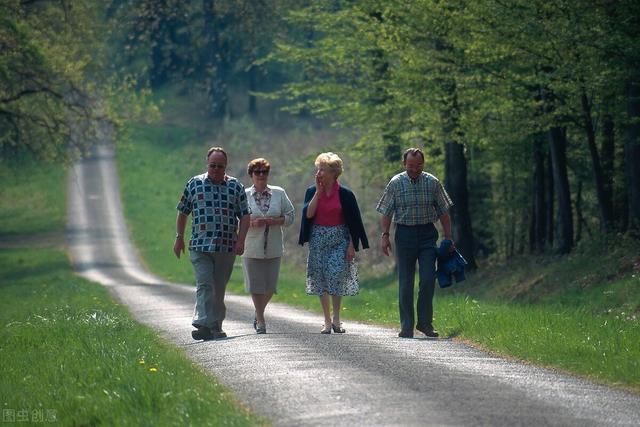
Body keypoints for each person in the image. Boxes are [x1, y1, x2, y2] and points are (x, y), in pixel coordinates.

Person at [173, 146, 250, 341]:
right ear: (207, 164)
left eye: (220, 166)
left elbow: (245, 216)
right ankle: (203, 323)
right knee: (205, 284)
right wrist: (179, 237)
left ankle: (215, 325)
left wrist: (241, 240)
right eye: (213, 165)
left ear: (226, 166)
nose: (216, 169)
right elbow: (183, 211)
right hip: (200, 245)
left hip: (225, 247)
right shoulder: (194, 184)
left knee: (218, 287)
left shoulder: (235, 187)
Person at [376, 148, 454, 338]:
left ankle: (425, 323)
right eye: (411, 166)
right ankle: (407, 326)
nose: (415, 169)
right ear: (404, 164)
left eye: (418, 165)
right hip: (404, 234)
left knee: (428, 279)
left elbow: (444, 212)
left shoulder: (432, 182)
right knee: (406, 282)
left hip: (427, 234)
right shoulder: (395, 183)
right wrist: (385, 235)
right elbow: (386, 212)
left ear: (423, 164)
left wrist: (448, 237)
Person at [299, 152, 369, 334]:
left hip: (340, 238)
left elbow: (354, 222)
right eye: (318, 169)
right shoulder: (311, 191)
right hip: (318, 239)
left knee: (336, 274)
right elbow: (308, 214)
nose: (319, 173)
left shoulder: (345, 194)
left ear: (334, 173)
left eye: (323, 169)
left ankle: (337, 318)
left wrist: (352, 245)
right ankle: (327, 321)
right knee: (321, 278)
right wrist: (318, 192)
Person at [242, 158, 295, 334]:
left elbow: (290, 216)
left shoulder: (279, 193)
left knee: (270, 286)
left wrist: (274, 221)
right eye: (257, 172)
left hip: (273, 246)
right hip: (251, 247)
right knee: (255, 285)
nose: (261, 175)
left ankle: (258, 314)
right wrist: (251, 222)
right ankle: (261, 320)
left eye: (264, 172)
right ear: (251, 175)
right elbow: (235, 218)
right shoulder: (243, 194)